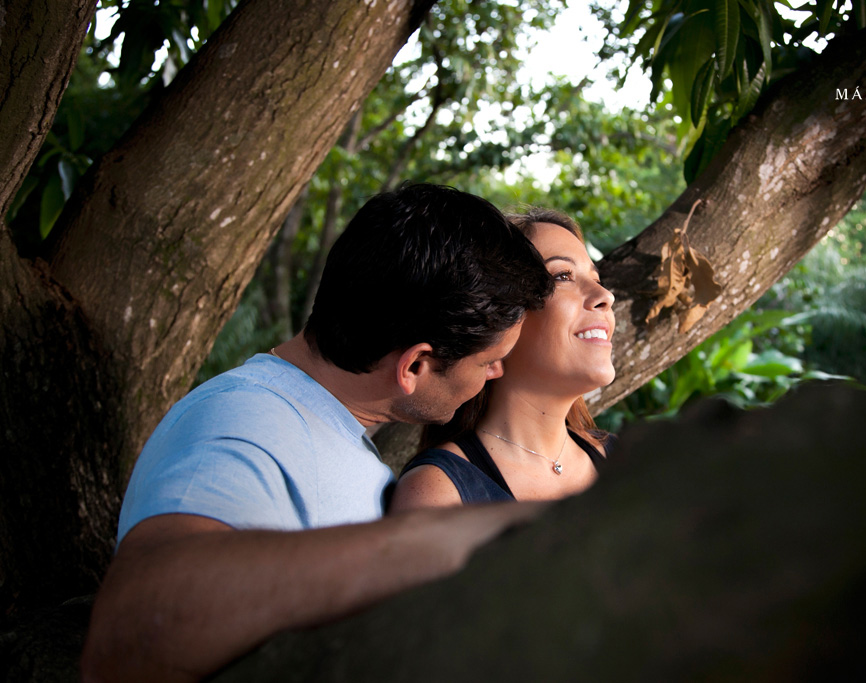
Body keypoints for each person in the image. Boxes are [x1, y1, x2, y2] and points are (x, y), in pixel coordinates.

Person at [81, 184, 555, 683]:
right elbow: (132, 632)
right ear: (414, 364)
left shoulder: (311, 424)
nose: (497, 374)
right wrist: (439, 544)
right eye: (490, 361)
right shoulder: (245, 423)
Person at [389, 208, 616, 509]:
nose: (605, 295)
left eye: (596, 278)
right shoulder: (440, 493)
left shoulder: (627, 463)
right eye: (563, 276)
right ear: (499, 321)